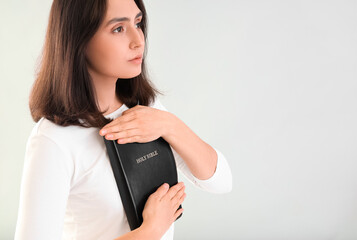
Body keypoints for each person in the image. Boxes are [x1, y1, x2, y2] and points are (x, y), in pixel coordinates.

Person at [14, 0, 233, 239]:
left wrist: (168, 124)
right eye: (118, 29)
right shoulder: (54, 140)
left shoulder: (145, 110)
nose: (138, 41)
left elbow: (221, 182)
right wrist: (150, 231)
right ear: (79, 39)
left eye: (138, 23)